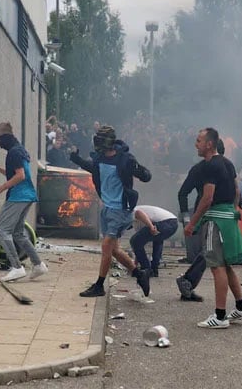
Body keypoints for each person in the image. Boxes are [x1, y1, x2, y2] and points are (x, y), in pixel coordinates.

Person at [70, 125, 152, 297]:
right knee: (114, 250)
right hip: (106, 208)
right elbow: (92, 167)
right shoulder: (100, 159)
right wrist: (75, 159)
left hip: (120, 210)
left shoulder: (125, 159)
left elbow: (145, 175)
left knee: (106, 245)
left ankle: (99, 286)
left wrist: (141, 171)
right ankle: (139, 274)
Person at [184, 128, 242, 329]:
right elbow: (236, 190)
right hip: (228, 218)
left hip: (215, 220)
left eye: (198, 141)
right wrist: (234, 210)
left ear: (209, 144)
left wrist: (192, 222)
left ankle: (220, 316)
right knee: (225, 264)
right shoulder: (227, 163)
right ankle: (241, 306)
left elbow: (207, 198)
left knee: (216, 266)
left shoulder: (209, 165)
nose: (196, 144)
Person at [0, 122, 47, 282]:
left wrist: (1, 188)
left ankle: (17, 267)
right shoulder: (19, 150)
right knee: (18, 233)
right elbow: (15, 173)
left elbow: (20, 176)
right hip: (27, 196)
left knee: (2, 230)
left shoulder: (13, 152)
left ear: (5, 137)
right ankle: (38, 265)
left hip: (18, 196)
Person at [129, 205, 178, 277]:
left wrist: (151, 227)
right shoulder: (138, 224)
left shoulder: (129, 212)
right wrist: (134, 266)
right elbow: (138, 247)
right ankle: (154, 269)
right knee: (157, 240)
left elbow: (138, 213)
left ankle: (146, 269)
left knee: (134, 241)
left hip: (165, 222)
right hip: (173, 224)